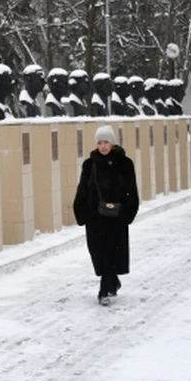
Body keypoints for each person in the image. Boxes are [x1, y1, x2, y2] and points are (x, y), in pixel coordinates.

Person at [73, 125, 140, 306]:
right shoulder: (90, 164)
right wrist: (80, 211)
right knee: (99, 252)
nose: (103, 146)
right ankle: (112, 281)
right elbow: (83, 189)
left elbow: (131, 190)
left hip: (116, 217)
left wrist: (128, 212)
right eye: (100, 143)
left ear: (113, 143)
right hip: (95, 217)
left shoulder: (124, 164)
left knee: (112, 252)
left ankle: (105, 289)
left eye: (106, 142)